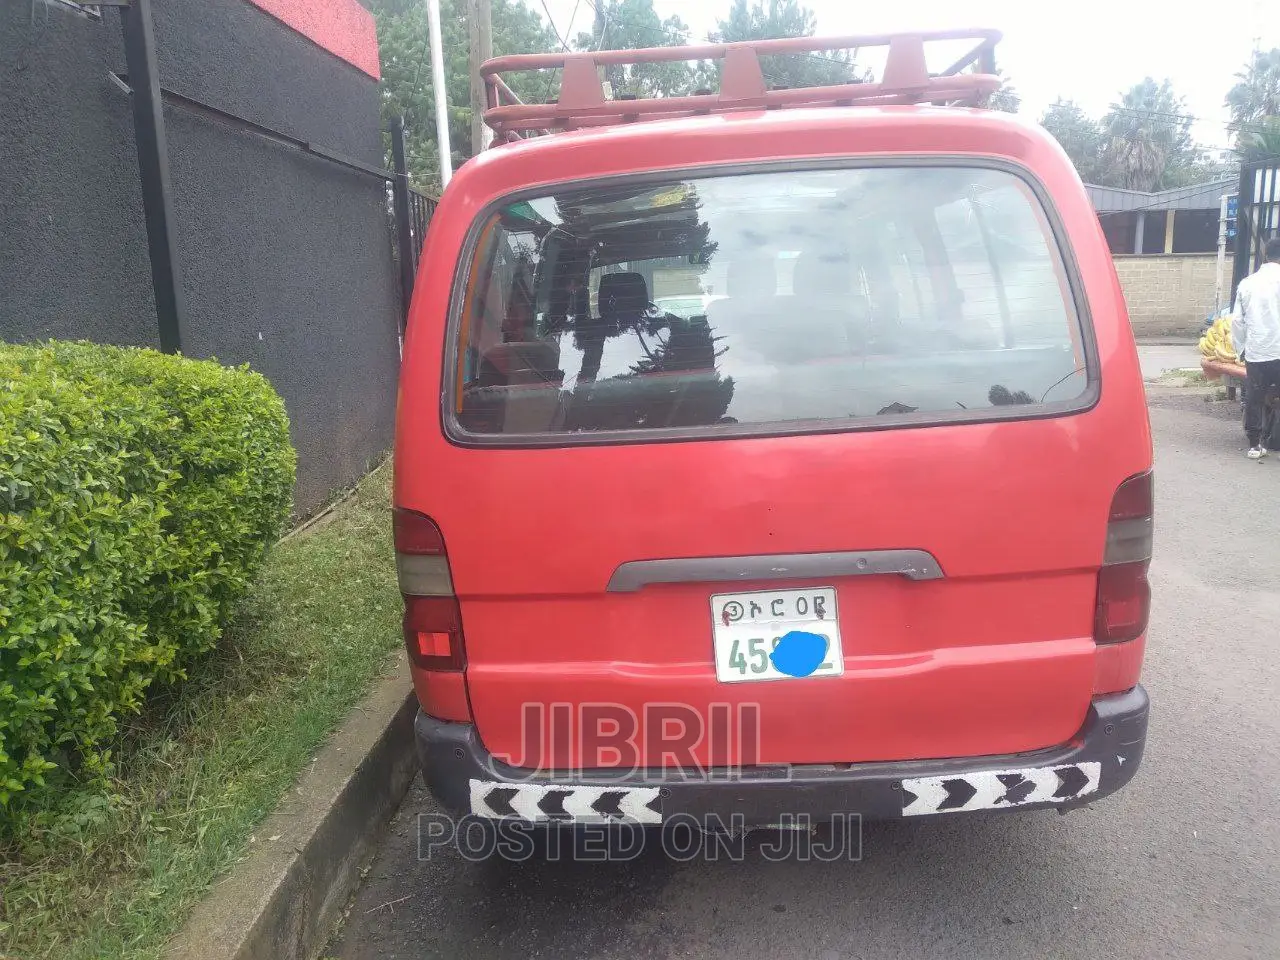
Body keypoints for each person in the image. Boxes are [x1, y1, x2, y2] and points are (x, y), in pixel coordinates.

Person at [1231, 236, 1280, 459]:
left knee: (1255, 396)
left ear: (1265, 255)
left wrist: (1241, 348)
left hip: (1258, 350)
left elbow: (1237, 321)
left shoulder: (1247, 284)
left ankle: (1254, 444)